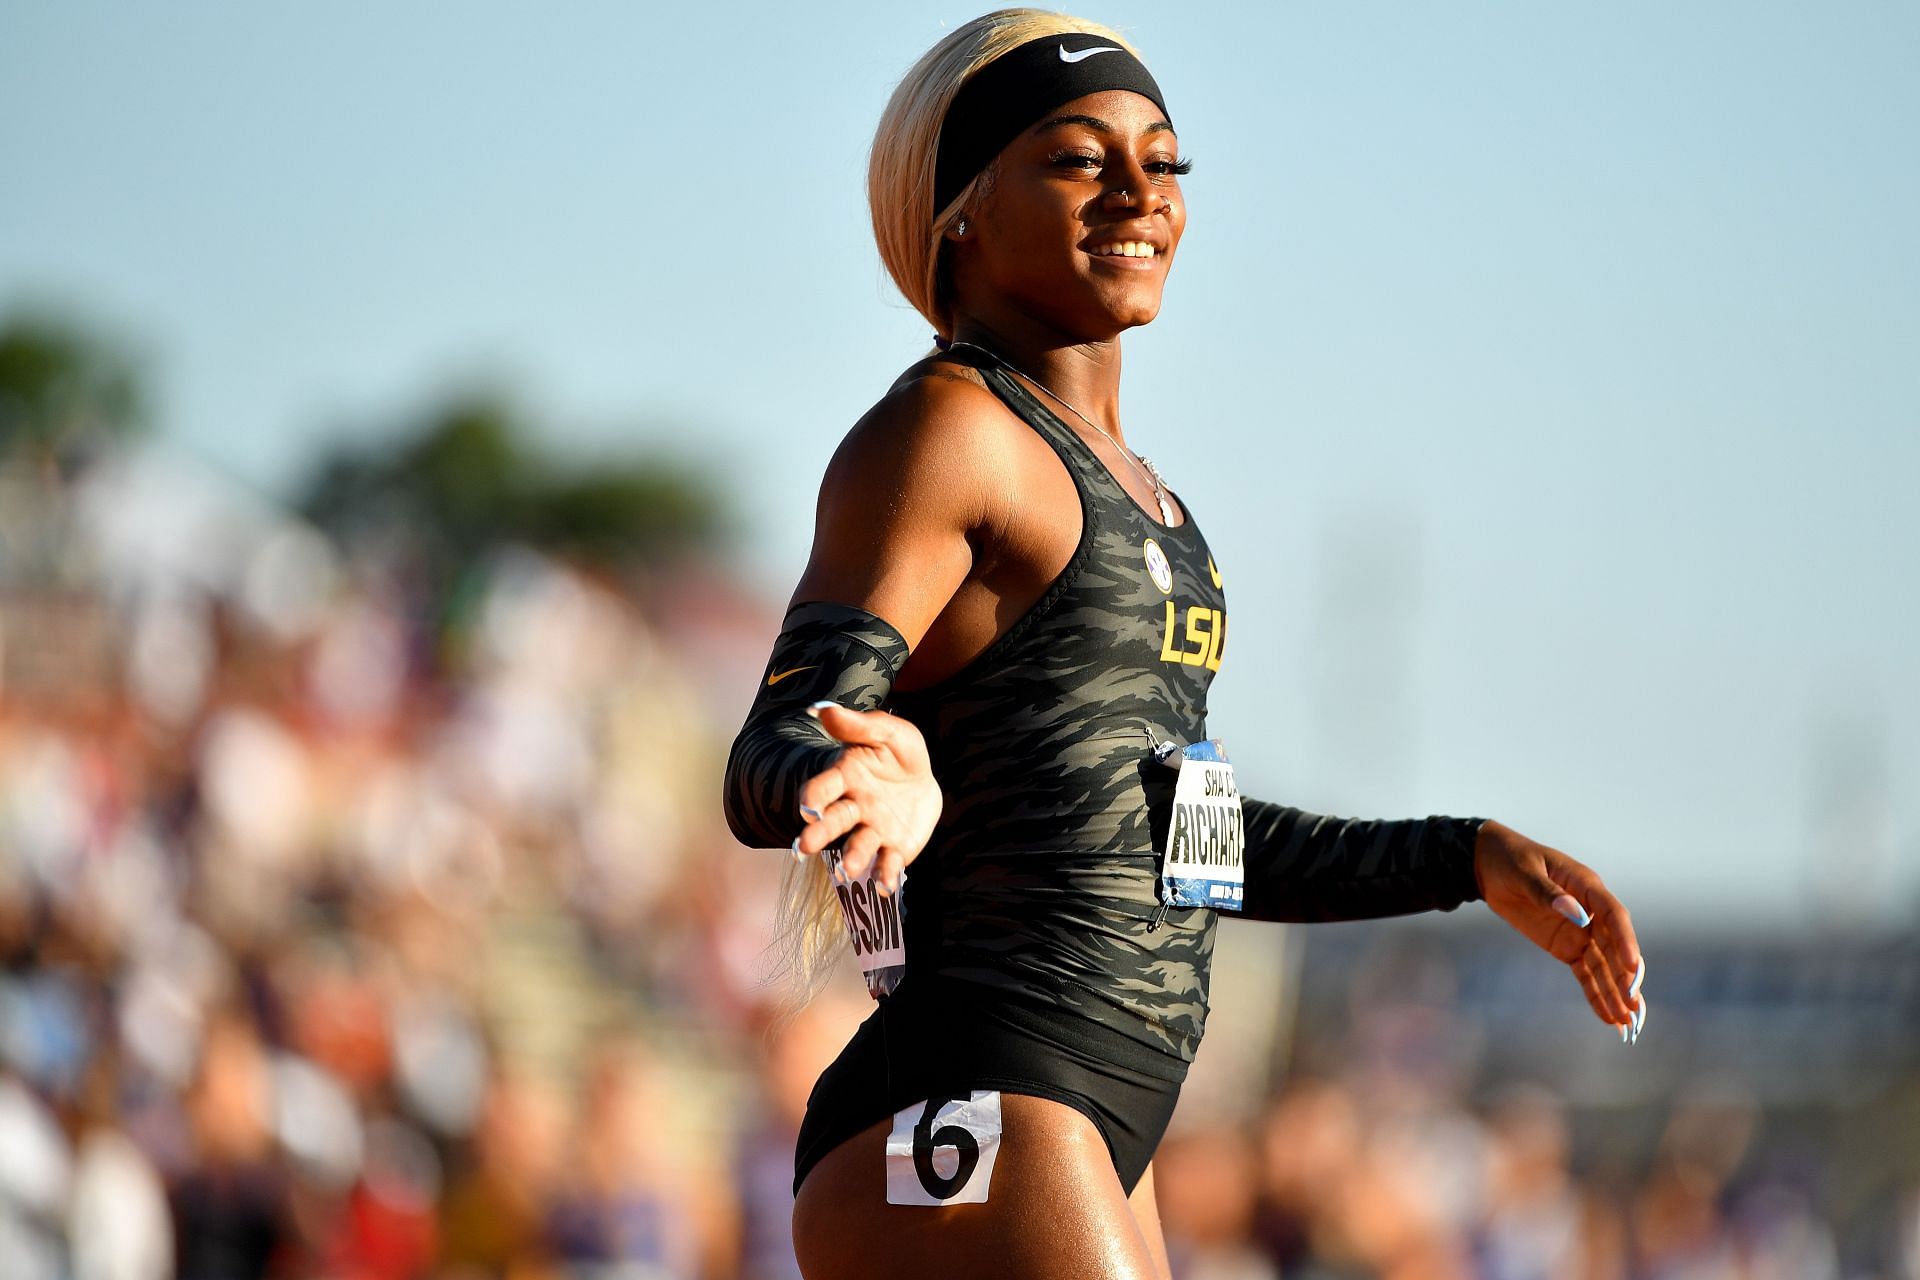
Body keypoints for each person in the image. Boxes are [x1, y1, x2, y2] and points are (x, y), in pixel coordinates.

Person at [721, 10, 1647, 1279]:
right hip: (980, 1095)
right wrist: (857, 767)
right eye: (1076, 158)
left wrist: (1462, 856)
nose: (1139, 191)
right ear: (963, 214)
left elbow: (1179, 840)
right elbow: (771, 746)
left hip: (1095, 1115)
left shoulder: (1159, 511)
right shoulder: (952, 432)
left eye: (1165, 161)